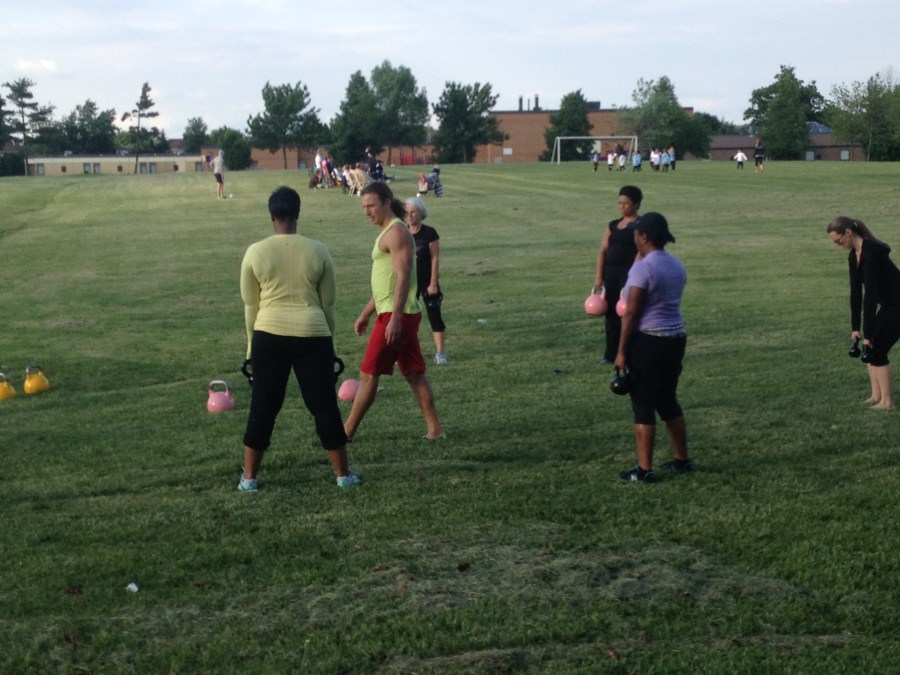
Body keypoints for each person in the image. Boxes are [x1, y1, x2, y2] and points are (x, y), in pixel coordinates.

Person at [238, 186, 360, 492]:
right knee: (324, 406)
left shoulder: (255, 252)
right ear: (298, 214)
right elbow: (328, 303)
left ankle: (249, 478)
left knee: (263, 407)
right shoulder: (318, 250)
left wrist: (251, 346)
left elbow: (251, 305)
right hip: (313, 334)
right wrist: (329, 342)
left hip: (268, 334)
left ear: (271, 216)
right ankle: (343, 475)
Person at [344, 182, 444, 441]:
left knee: (368, 374)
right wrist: (366, 313)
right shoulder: (389, 232)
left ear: (387, 202)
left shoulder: (396, 232)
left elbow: (403, 277)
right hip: (396, 312)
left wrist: (395, 318)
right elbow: (385, 285)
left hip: (396, 315)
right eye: (364, 206)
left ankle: (345, 433)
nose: (367, 211)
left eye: (371, 205)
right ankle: (435, 429)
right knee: (414, 374)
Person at [615, 212, 690, 482]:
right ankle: (682, 460)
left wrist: (621, 351)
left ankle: (644, 470)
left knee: (643, 403)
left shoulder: (643, 268)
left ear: (644, 236)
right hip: (676, 337)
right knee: (667, 399)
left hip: (649, 340)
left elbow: (632, 312)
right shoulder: (676, 264)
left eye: (636, 233)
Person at [827, 216, 900, 409]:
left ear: (848, 232)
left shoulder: (872, 253)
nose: (838, 245)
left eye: (838, 241)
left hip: (897, 305)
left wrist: (868, 334)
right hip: (889, 305)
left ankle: (887, 402)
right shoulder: (854, 255)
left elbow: (871, 296)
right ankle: (876, 396)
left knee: (878, 349)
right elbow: (856, 293)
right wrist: (855, 327)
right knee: (871, 349)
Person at [593, 186, 643, 365]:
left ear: (636, 204)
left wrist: (633, 276)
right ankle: (610, 354)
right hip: (611, 275)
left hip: (629, 276)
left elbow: (641, 252)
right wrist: (599, 277)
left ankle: (630, 352)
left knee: (629, 314)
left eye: (626, 203)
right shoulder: (613, 225)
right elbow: (602, 251)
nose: (622, 207)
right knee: (611, 316)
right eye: (620, 203)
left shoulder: (640, 225)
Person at [405, 196, 448, 365]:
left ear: (421, 213)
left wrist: (433, 283)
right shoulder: (403, 232)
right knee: (406, 318)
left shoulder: (429, 233)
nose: (410, 216)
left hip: (427, 281)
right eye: (407, 212)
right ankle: (404, 352)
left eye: (413, 212)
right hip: (409, 283)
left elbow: (435, 259)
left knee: (434, 315)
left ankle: (440, 353)